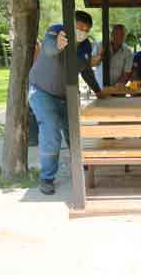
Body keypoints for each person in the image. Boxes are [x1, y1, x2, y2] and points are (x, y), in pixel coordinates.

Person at [28, 11, 105, 195]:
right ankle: (47, 178)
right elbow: (48, 48)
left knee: (73, 131)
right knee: (51, 130)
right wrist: (58, 46)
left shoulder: (85, 46)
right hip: (42, 91)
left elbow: (85, 70)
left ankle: (78, 162)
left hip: (67, 94)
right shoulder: (56, 31)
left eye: (86, 30)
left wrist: (98, 92)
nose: (82, 32)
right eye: (79, 27)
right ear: (70, 25)